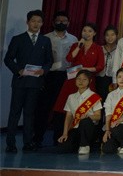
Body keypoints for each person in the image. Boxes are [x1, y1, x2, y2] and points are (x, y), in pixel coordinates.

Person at [4, 10, 53, 152]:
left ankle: (28, 142)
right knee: (15, 113)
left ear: (42, 23)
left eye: (39, 21)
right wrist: (18, 70)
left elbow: (49, 60)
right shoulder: (18, 39)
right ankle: (10, 143)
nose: (36, 24)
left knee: (30, 113)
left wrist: (44, 70)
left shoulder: (45, 40)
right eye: (33, 21)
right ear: (28, 22)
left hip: (35, 82)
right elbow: (8, 59)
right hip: (20, 81)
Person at [39, 10, 78, 143]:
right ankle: (38, 138)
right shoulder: (46, 38)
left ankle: (59, 138)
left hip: (67, 77)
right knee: (44, 107)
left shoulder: (74, 39)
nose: (61, 23)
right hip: (49, 76)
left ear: (68, 23)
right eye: (58, 21)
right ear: (53, 22)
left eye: (64, 21)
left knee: (62, 108)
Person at [53, 23, 105, 120]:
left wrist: (85, 69)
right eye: (84, 31)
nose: (86, 33)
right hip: (72, 78)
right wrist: (78, 46)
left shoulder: (98, 48)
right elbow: (69, 58)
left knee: (85, 106)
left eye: (90, 31)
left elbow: (100, 66)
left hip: (88, 80)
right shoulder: (75, 45)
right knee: (66, 107)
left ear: (94, 33)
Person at [56, 69, 103, 154]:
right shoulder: (71, 97)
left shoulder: (94, 96)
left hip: (89, 129)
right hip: (75, 128)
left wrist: (88, 116)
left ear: (90, 81)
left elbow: (98, 116)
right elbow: (68, 117)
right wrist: (65, 133)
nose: (81, 81)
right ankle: (78, 144)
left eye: (84, 79)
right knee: (63, 148)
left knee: (85, 121)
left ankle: (85, 145)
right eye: (79, 79)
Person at [101, 67, 123, 154]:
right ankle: (119, 143)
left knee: (118, 128)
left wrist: (120, 120)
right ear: (116, 79)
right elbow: (108, 114)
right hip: (112, 126)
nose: (122, 79)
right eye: (119, 77)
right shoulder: (111, 95)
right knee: (107, 149)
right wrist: (107, 130)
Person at [96, 26, 119, 101]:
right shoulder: (99, 48)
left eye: (112, 35)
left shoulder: (119, 50)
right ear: (104, 36)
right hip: (99, 78)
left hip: (113, 79)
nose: (110, 37)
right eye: (107, 35)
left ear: (116, 36)